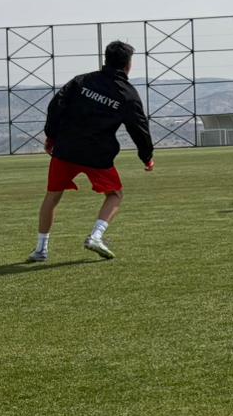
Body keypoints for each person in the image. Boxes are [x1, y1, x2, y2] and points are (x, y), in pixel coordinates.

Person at [31, 39, 154, 262]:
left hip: (66, 149)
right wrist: (147, 157)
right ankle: (96, 236)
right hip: (98, 155)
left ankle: (41, 249)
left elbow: (56, 106)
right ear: (128, 65)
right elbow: (139, 127)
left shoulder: (82, 81)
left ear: (105, 59)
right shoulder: (127, 94)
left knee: (52, 196)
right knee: (115, 194)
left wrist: (51, 136)